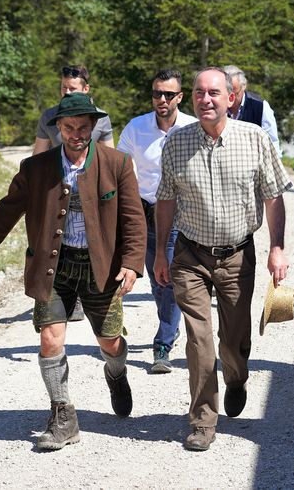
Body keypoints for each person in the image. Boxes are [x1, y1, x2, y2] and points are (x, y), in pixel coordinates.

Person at [0, 93, 146, 451]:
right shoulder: (36, 169)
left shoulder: (118, 163)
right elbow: (5, 212)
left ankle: (116, 373)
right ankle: (63, 417)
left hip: (100, 267)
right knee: (49, 339)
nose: (76, 134)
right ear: (58, 127)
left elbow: (134, 220)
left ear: (93, 127)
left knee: (110, 340)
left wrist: (132, 264)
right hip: (53, 267)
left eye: (83, 128)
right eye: (69, 127)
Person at [154, 67, 292, 451]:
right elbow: (166, 199)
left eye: (213, 92)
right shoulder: (176, 143)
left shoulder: (255, 139)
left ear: (231, 98)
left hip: (236, 256)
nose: (205, 99)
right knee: (199, 341)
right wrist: (161, 252)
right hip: (190, 254)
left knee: (233, 341)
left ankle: (236, 376)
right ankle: (202, 421)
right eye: (198, 92)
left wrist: (276, 247)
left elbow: (274, 196)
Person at [117, 69, 197, 374]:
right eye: (156, 93)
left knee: (173, 276)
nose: (161, 100)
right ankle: (172, 325)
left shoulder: (193, 127)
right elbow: (119, 171)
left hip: (181, 213)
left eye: (168, 94)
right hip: (145, 212)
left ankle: (162, 343)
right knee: (157, 278)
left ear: (179, 97)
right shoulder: (136, 128)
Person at [33, 65, 115, 154]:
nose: (67, 93)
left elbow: (110, 157)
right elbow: (37, 157)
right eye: (64, 87)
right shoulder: (49, 116)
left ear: (86, 89)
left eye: (72, 88)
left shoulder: (101, 118)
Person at [222, 65, 282, 157]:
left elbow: (272, 141)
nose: (231, 98)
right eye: (226, 93)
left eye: (234, 93)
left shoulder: (260, 106)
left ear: (244, 86)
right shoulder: (217, 105)